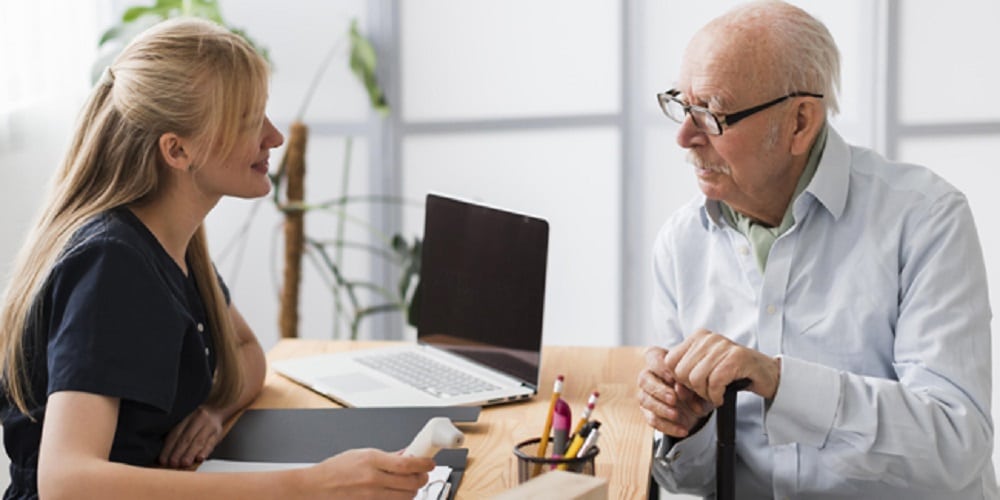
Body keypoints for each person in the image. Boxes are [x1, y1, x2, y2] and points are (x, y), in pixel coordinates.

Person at [0, 18, 434, 499]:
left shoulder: (170, 241)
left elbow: (247, 355)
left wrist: (215, 411)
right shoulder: (112, 264)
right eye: (250, 121)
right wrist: (311, 485)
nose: (274, 137)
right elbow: (66, 482)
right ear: (177, 150)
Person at [635, 1, 997, 498]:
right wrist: (686, 425)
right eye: (681, 103)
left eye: (712, 113)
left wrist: (781, 383)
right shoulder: (681, 244)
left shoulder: (926, 219)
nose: (684, 135)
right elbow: (692, 481)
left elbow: (956, 446)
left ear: (800, 123)